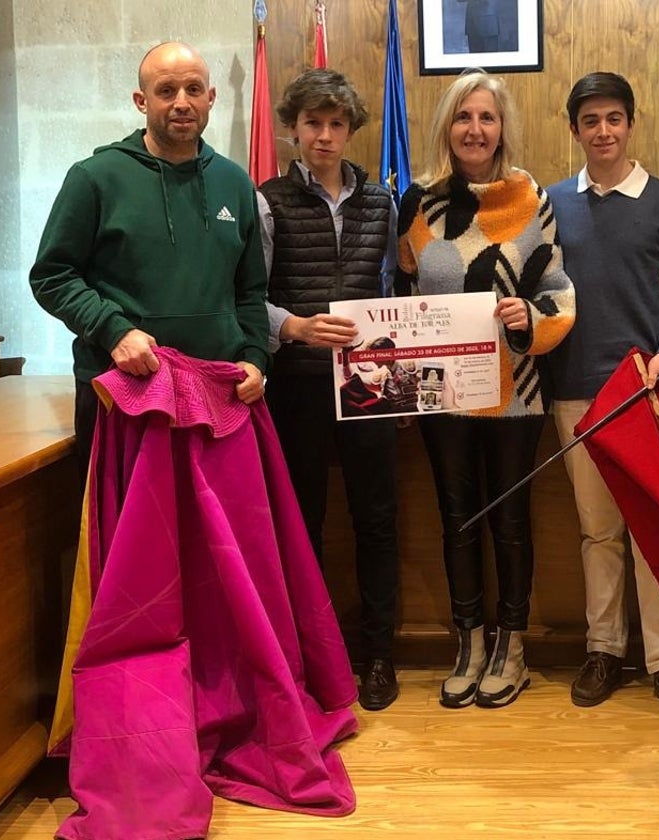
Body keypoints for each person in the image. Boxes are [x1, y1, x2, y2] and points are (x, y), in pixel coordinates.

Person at [395, 70, 575, 709]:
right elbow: (403, 295)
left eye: (487, 118)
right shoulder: (418, 202)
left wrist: (533, 316)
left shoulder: (533, 200)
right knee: (455, 517)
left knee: (510, 520)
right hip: (443, 396)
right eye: (463, 117)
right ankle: (469, 639)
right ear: (448, 126)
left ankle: (513, 644)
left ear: (503, 129)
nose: (475, 129)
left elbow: (557, 290)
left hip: (515, 392)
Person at [545, 72, 659, 724]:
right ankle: (604, 648)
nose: (604, 131)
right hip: (577, 390)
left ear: (630, 124)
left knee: (653, 531)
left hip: (649, 389)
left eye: (615, 118)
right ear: (576, 129)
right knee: (598, 532)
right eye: (591, 121)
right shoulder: (551, 202)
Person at [30, 41, 268, 467]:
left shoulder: (234, 182)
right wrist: (113, 331)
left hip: (217, 395)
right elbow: (52, 276)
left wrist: (254, 358)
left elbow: (249, 291)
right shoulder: (94, 178)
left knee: (211, 533)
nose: (182, 103)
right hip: (125, 391)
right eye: (166, 91)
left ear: (211, 98)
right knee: (130, 532)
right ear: (141, 101)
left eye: (194, 89)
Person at [257, 69, 402, 712]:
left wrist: (404, 384)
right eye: (312, 123)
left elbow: (393, 291)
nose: (324, 135)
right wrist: (290, 326)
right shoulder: (267, 200)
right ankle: (311, 660)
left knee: (377, 520)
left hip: (372, 383)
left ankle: (379, 656)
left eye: (336, 124)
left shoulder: (382, 200)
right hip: (296, 385)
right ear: (293, 128)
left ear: (351, 130)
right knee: (303, 523)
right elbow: (248, 297)